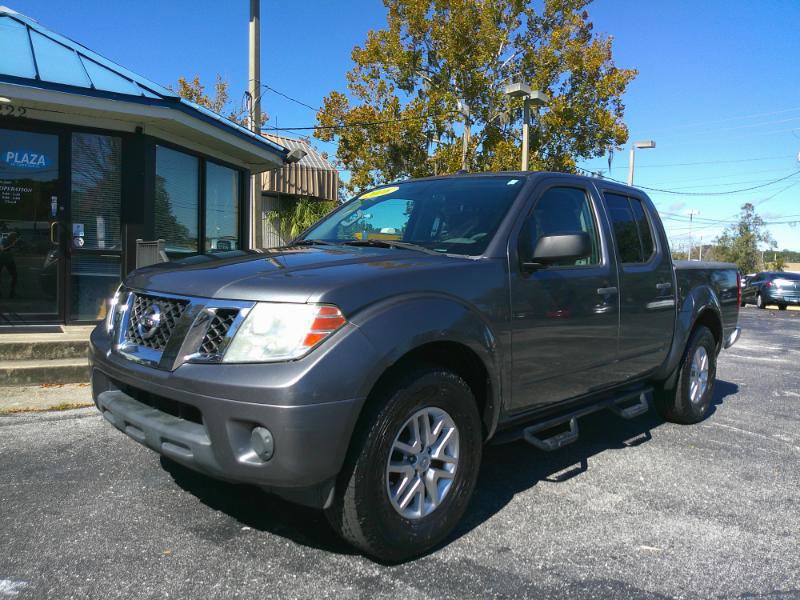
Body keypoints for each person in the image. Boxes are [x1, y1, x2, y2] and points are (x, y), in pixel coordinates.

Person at [0, 228, 19, 299]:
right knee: (14, 275)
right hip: (1, 259)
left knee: (15, 275)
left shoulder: (10, 241)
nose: (15, 240)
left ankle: (12, 292)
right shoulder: (3, 240)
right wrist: (12, 245)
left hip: (9, 260)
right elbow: (2, 249)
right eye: (14, 238)